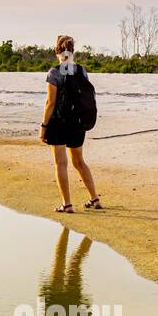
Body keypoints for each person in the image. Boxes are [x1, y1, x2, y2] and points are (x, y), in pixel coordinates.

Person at [40, 35, 102, 213]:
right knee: (79, 162)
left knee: (61, 163)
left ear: (57, 51)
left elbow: (50, 103)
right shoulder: (81, 71)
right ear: (73, 51)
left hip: (59, 123)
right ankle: (94, 199)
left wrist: (44, 126)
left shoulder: (54, 72)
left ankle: (67, 205)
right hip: (77, 123)